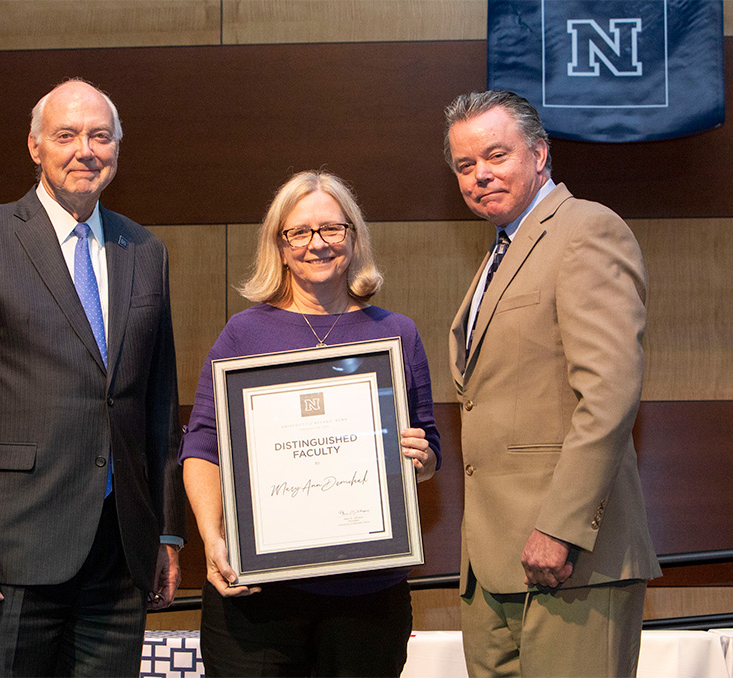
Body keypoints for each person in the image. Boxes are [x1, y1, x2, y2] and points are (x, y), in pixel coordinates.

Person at [0, 79, 186, 677]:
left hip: (120, 557)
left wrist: (168, 531)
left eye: (99, 135)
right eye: (66, 135)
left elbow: (160, 404)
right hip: (10, 551)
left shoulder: (144, 249)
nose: (83, 150)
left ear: (117, 147)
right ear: (35, 147)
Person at [180, 169, 441, 678]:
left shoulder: (395, 334)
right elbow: (203, 447)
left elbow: (428, 450)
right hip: (258, 599)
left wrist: (422, 457)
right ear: (278, 245)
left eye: (331, 229)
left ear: (354, 236)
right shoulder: (244, 334)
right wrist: (213, 541)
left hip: (367, 597)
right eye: (298, 232)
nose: (316, 244)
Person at [443, 89, 661, 677]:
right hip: (491, 570)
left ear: (539, 154)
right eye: (465, 166)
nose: (480, 175)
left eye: (496, 155)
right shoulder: (497, 254)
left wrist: (559, 529)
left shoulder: (586, 230)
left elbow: (609, 397)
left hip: (569, 564)